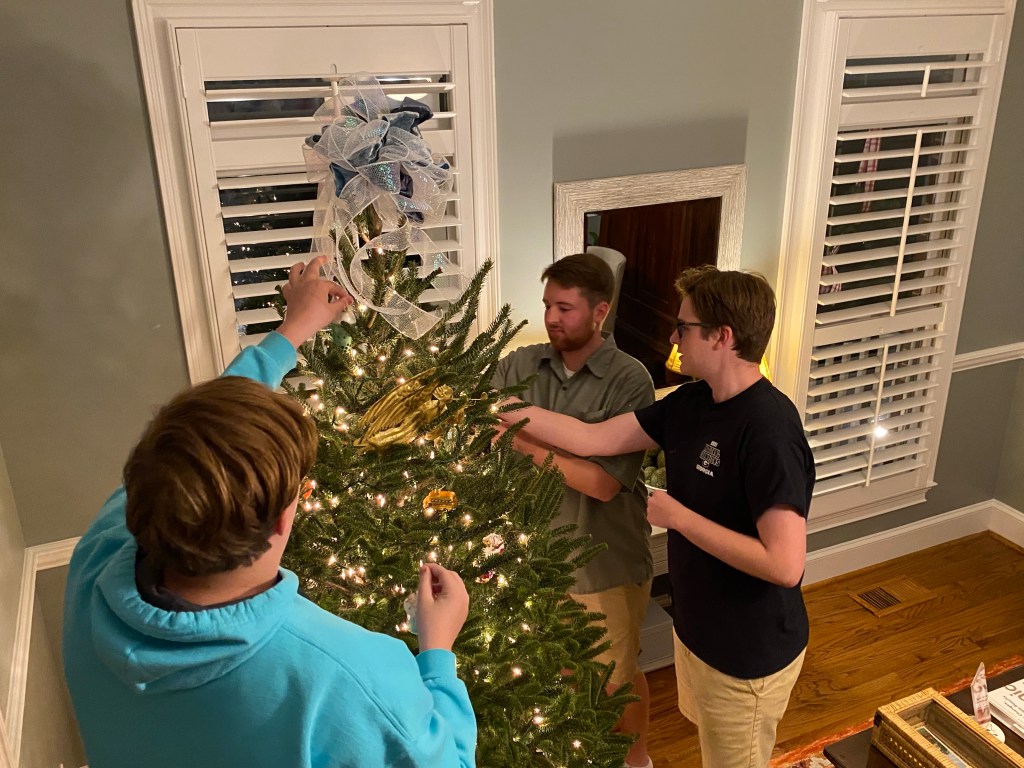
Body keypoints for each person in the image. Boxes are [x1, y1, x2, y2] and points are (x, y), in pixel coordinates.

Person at [63, 255, 477, 768]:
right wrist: (437, 655)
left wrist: (291, 332)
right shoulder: (343, 677)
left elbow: (205, 438)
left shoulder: (98, 553)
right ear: (286, 519)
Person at [499, 265, 814, 768]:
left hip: (748, 649)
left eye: (684, 327)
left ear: (723, 337)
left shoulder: (770, 431)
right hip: (697, 631)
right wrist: (511, 413)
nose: (673, 337)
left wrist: (680, 517)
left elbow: (784, 565)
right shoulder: (690, 402)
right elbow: (593, 439)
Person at [491, 252, 656, 768]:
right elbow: (481, 426)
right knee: (553, 672)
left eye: (565, 307)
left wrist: (522, 443)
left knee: (614, 678)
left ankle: (637, 760)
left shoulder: (630, 381)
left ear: (600, 311)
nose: (552, 318)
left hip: (601, 563)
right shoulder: (519, 365)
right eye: (547, 306)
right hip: (532, 558)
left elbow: (603, 483)